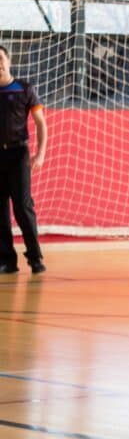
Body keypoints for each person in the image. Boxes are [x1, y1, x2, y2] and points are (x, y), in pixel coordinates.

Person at [0, 44, 47, 274]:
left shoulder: (25, 89)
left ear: (9, 61)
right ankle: (7, 260)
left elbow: (40, 123)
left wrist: (41, 153)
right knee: (0, 211)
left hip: (19, 154)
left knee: (23, 206)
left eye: (0, 59)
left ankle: (35, 258)